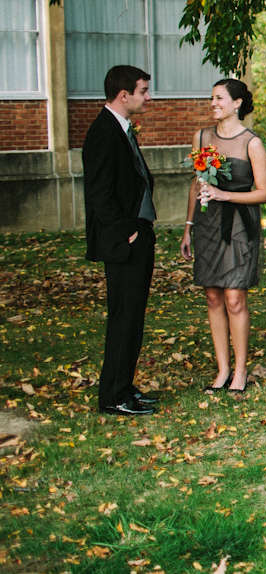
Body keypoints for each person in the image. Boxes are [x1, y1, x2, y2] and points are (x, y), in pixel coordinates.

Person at [179, 79, 266, 394]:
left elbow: (265, 193)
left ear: (237, 103)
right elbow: (196, 183)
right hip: (207, 224)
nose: (213, 103)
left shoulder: (252, 143)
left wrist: (224, 195)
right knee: (213, 296)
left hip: (240, 226)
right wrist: (188, 227)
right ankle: (222, 370)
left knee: (234, 298)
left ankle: (241, 371)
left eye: (219, 98)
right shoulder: (201, 137)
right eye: (212, 98)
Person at [84, 65, 160, 415]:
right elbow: (99, 194)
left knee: (132, 316)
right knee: (124, 317)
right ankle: (114, 396)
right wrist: (126, 232)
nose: (148, 97)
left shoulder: (121, 128)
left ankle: (124, 387)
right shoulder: (103, 132)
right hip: (124, 241)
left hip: (136, 234)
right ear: (123, 94)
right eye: (143, 91)